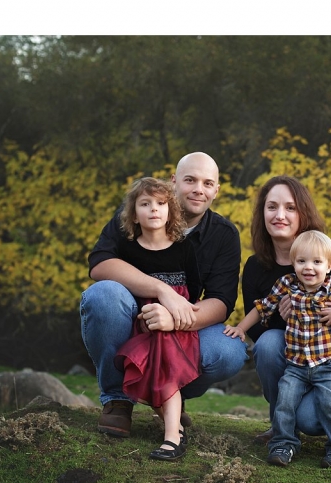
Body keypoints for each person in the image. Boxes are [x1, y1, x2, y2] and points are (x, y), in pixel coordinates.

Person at [81, 152, 248, 439]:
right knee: (103, 295)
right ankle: (118, 399)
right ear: (174, 182)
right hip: (129, 319)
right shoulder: (139, 211)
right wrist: (162, 291)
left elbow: (221, 302)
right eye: (190, 180)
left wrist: (174, 319)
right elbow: (99, 264)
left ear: (216, 191)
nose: (199, 189)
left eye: (208, 183)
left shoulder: (222, 235)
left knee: (229, 351)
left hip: (179, 327)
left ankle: (170, 395)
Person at [240, 175, 331, 444]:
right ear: (262, 213)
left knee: (311, 421)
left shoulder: (330, 256)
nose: (280, 215)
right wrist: (284, 315)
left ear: (303, 212)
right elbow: (257, 325)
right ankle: (282, 426)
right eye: (272, 207)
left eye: (290, 208)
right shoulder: (256, 267)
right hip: (297, 360)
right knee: (266, 345)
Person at [224, 230, 331, 468]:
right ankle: (284, 443)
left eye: (316, 262)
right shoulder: (287, 285)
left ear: (329, 265)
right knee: (284, 402)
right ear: (293, 264)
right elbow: (263, 307)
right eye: (302, 261)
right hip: (297, 364)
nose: (308, 268)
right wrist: (241, 328)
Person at [112, 177, 199, 460]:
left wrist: (174, 317)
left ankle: (173, 437)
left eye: (161, 204)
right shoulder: (127, 251)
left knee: (165, 359)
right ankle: (171, 422)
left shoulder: (184, 248)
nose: (154, 210)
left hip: (177, 324)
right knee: (145, 361)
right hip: (142, 323)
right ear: (133, 213)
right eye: (145, 204)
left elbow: (194, 293)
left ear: (171, 211)